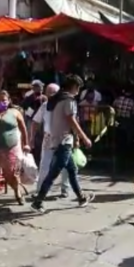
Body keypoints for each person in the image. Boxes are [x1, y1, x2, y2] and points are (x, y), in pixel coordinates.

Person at [30, 75, 94, 213]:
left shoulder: (55, 100)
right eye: (78, 87)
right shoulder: (68, 100)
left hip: (56, 139)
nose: (78, 91)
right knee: (54, 172)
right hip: (64, 140)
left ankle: (81, 197)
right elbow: (71, 120)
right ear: (74, 87)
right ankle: (38, 201)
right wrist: (84, 137)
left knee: (72, 170)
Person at [31, 83, 70, 198]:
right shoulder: (44, 106)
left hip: (63, 138)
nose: (51, 95)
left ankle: (65, 189)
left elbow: (73, 122)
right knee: (45, 165)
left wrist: (76, 138)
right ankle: (40, 191)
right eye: (49, 93)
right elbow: (35, 122)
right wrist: (32, 137)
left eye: (54, 93)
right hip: (49, 138)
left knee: (65, 165)